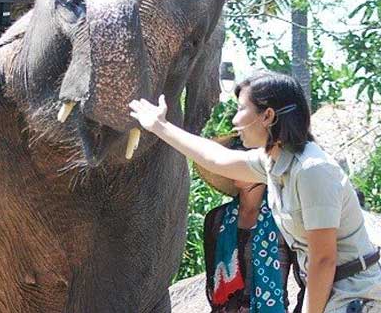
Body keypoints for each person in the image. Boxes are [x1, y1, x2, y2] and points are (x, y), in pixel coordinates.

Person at [129, 71, 381, 313]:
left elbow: (323, 260)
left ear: (267, 116)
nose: (234, 120)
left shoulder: (312, 170)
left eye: (241, 109)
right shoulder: (275, 162)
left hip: (354, 293)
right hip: (335, 289)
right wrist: (160, 126)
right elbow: (217, 158)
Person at [199, 136, 303, 312]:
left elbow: (306, 281)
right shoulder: (216, 219)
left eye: (240, 161)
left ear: (262, 167)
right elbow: (212, 283)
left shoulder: (284, 218)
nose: (231, 167)